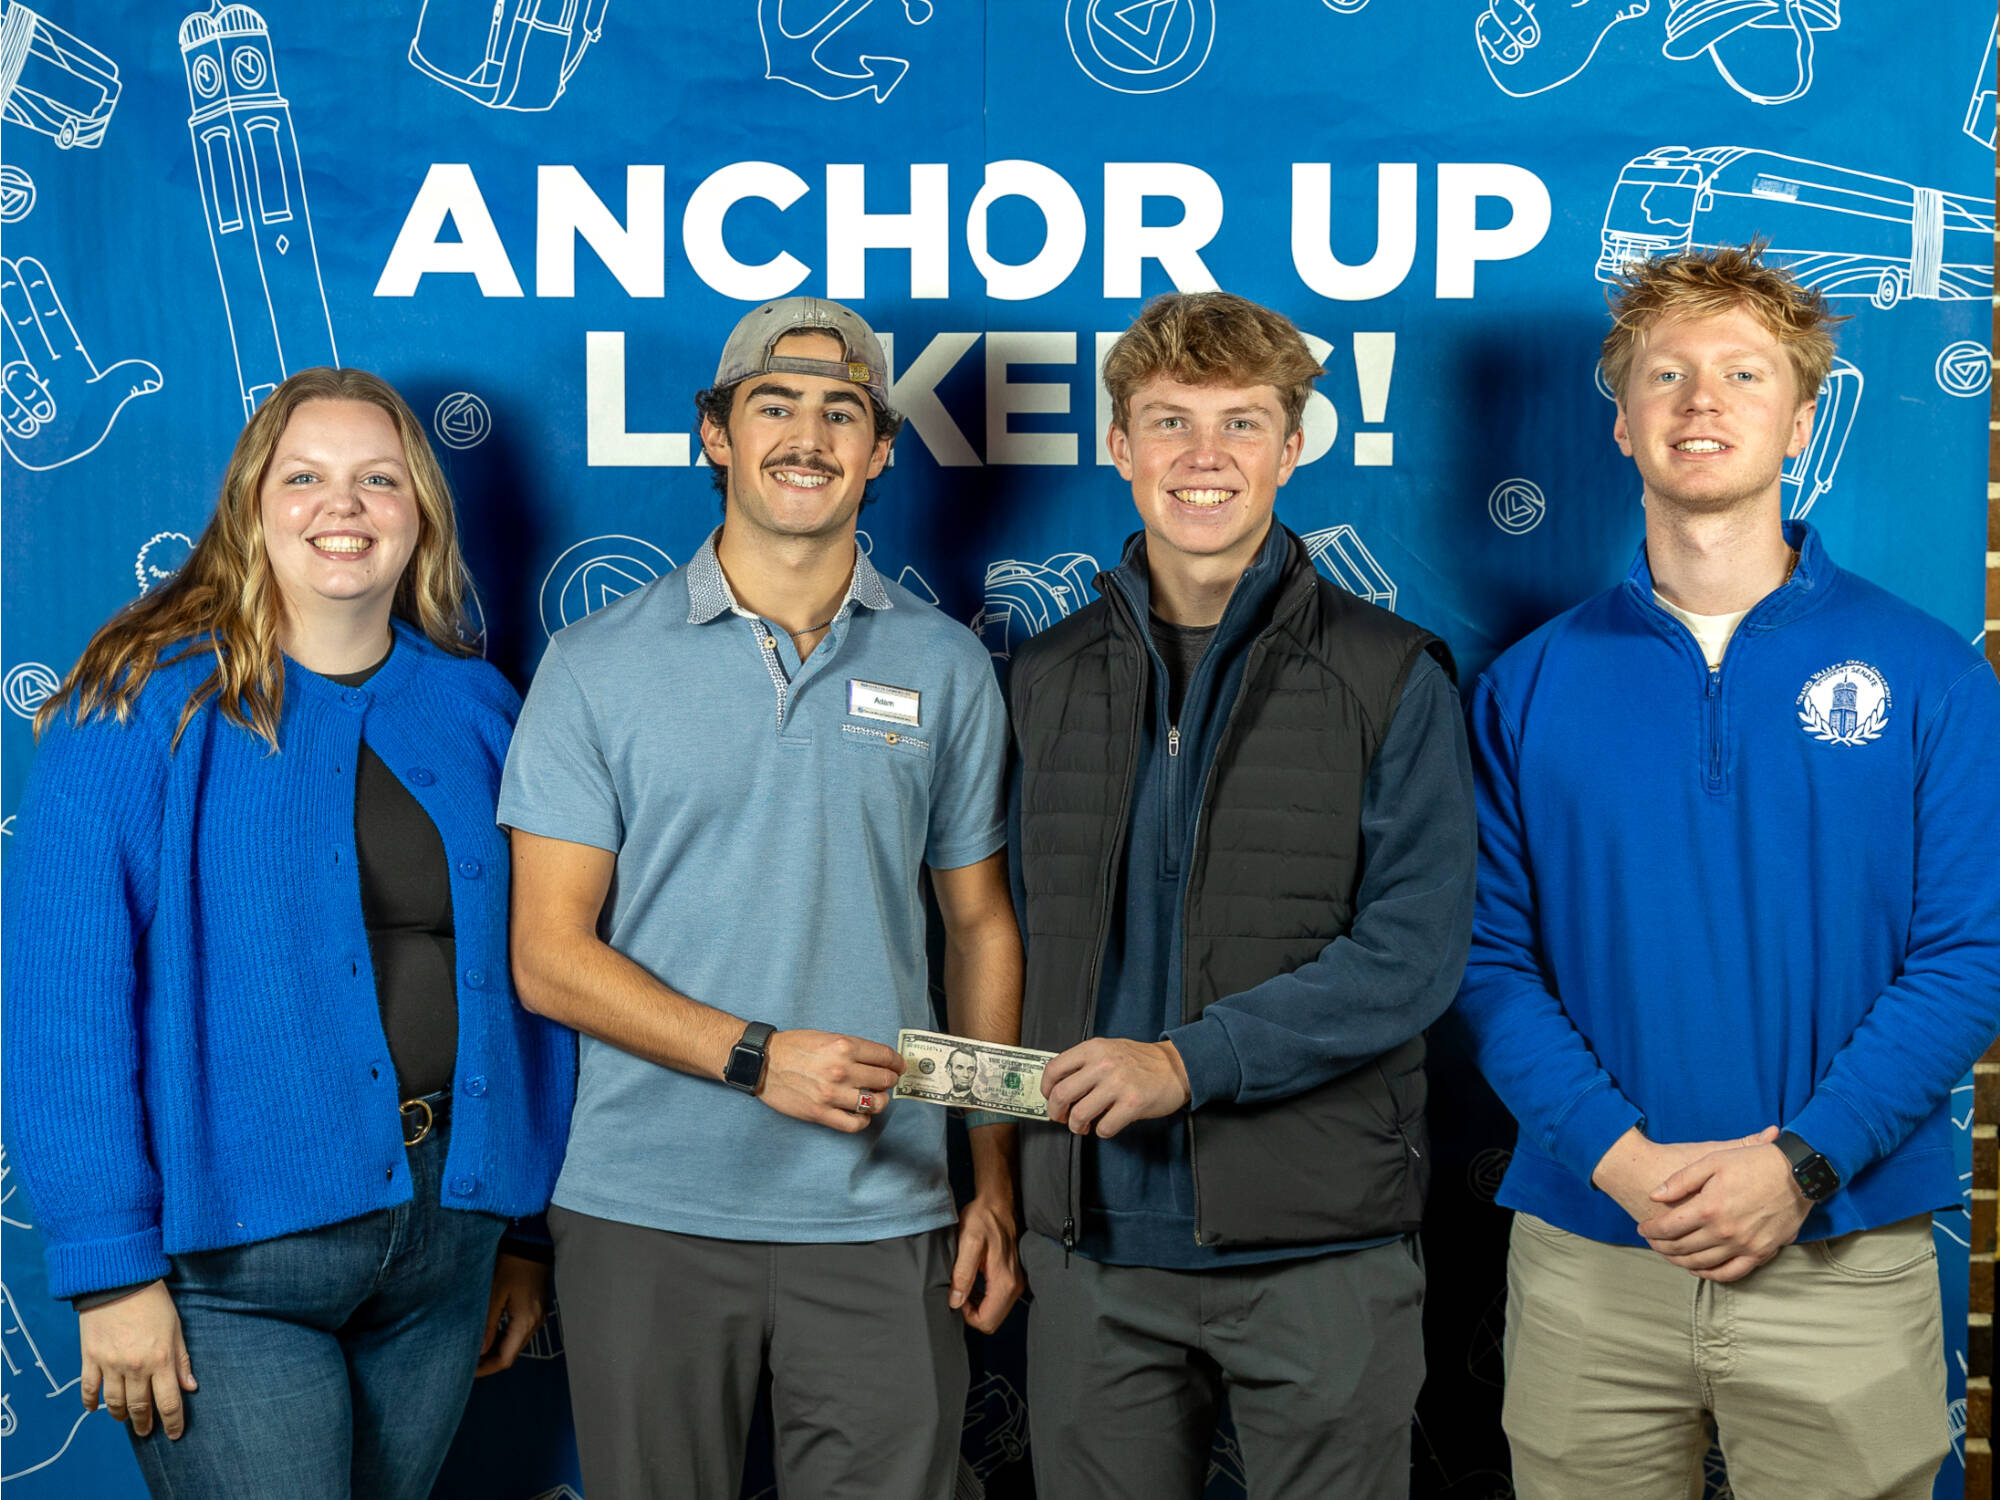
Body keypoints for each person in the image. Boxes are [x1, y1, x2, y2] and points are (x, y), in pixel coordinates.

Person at [1454, 244, 2000, 1498]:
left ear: (1800, 418)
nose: (1702, 403)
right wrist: (1622, 1161)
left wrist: (1799, 1163)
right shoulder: (1526, 688)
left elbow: (1966, 957)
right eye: (1668, 375)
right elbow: (1483, 961)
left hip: (1842, 1252)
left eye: (1742, 374)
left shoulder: (1928, 676)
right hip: (1592, 1252)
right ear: (1621, 421)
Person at [2, 367, 575, 1499]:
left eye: (377, 478)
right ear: (251, 508)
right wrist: (109, 1274)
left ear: (421, 511)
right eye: (304, 477)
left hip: (445, 1235)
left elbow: (528, 978)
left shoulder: (475, 706)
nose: (342, 506)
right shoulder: (135, 704)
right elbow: (61, 1003)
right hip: (230, 1266)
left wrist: (522, 1228)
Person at [502, 296, 1023, 1499]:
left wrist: (991, 1177)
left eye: (842, 412)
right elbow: (547, 955)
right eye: (773, 405)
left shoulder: (942, 665)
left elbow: (979, 926)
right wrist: (756, 1057)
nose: (808, 434)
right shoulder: (595, 665)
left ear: (882, 450)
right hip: (646, 1212)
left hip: (884, 1211)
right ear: (714, 435)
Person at [1005, 291, 1478, 1500]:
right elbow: (979, 938)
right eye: (1167, 421)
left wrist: (1187, 1062)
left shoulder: (1389, 673)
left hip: (1320, 1248)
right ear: (1115, 446)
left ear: (1290, 444)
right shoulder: (1038, 680)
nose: (1201, 457)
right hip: (1092, 1251)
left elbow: (1411, 954)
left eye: (1240, 422)